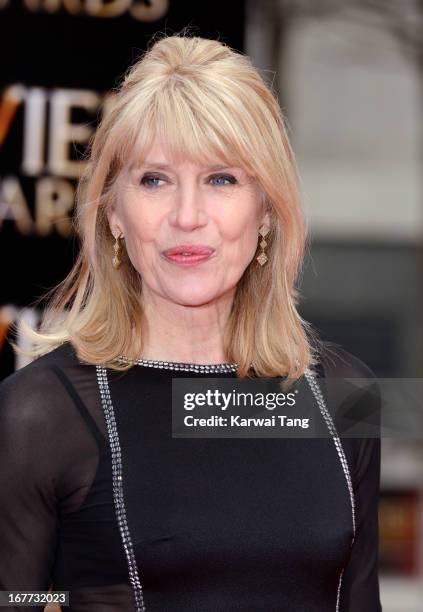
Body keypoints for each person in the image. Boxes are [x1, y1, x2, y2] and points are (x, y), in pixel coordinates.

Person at [0, 33, 382, 611]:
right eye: (154, 180)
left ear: (267, 211)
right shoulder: (38, 415)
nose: (186, 216)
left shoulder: (347, 395)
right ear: (113, 214)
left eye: (221, 179)